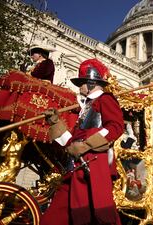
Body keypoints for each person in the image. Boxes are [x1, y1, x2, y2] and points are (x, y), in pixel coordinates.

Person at [41, 58, 124, 225]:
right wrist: (56, 123)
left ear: (92, 82)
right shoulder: (86, 107)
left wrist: (86, 145)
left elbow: (115, 127)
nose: (80, 87)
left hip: (93, 164)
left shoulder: (105, 99)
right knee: (57, 215)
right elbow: (72, 142)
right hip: (75, 166)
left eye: (82, 83)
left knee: (99, 214)